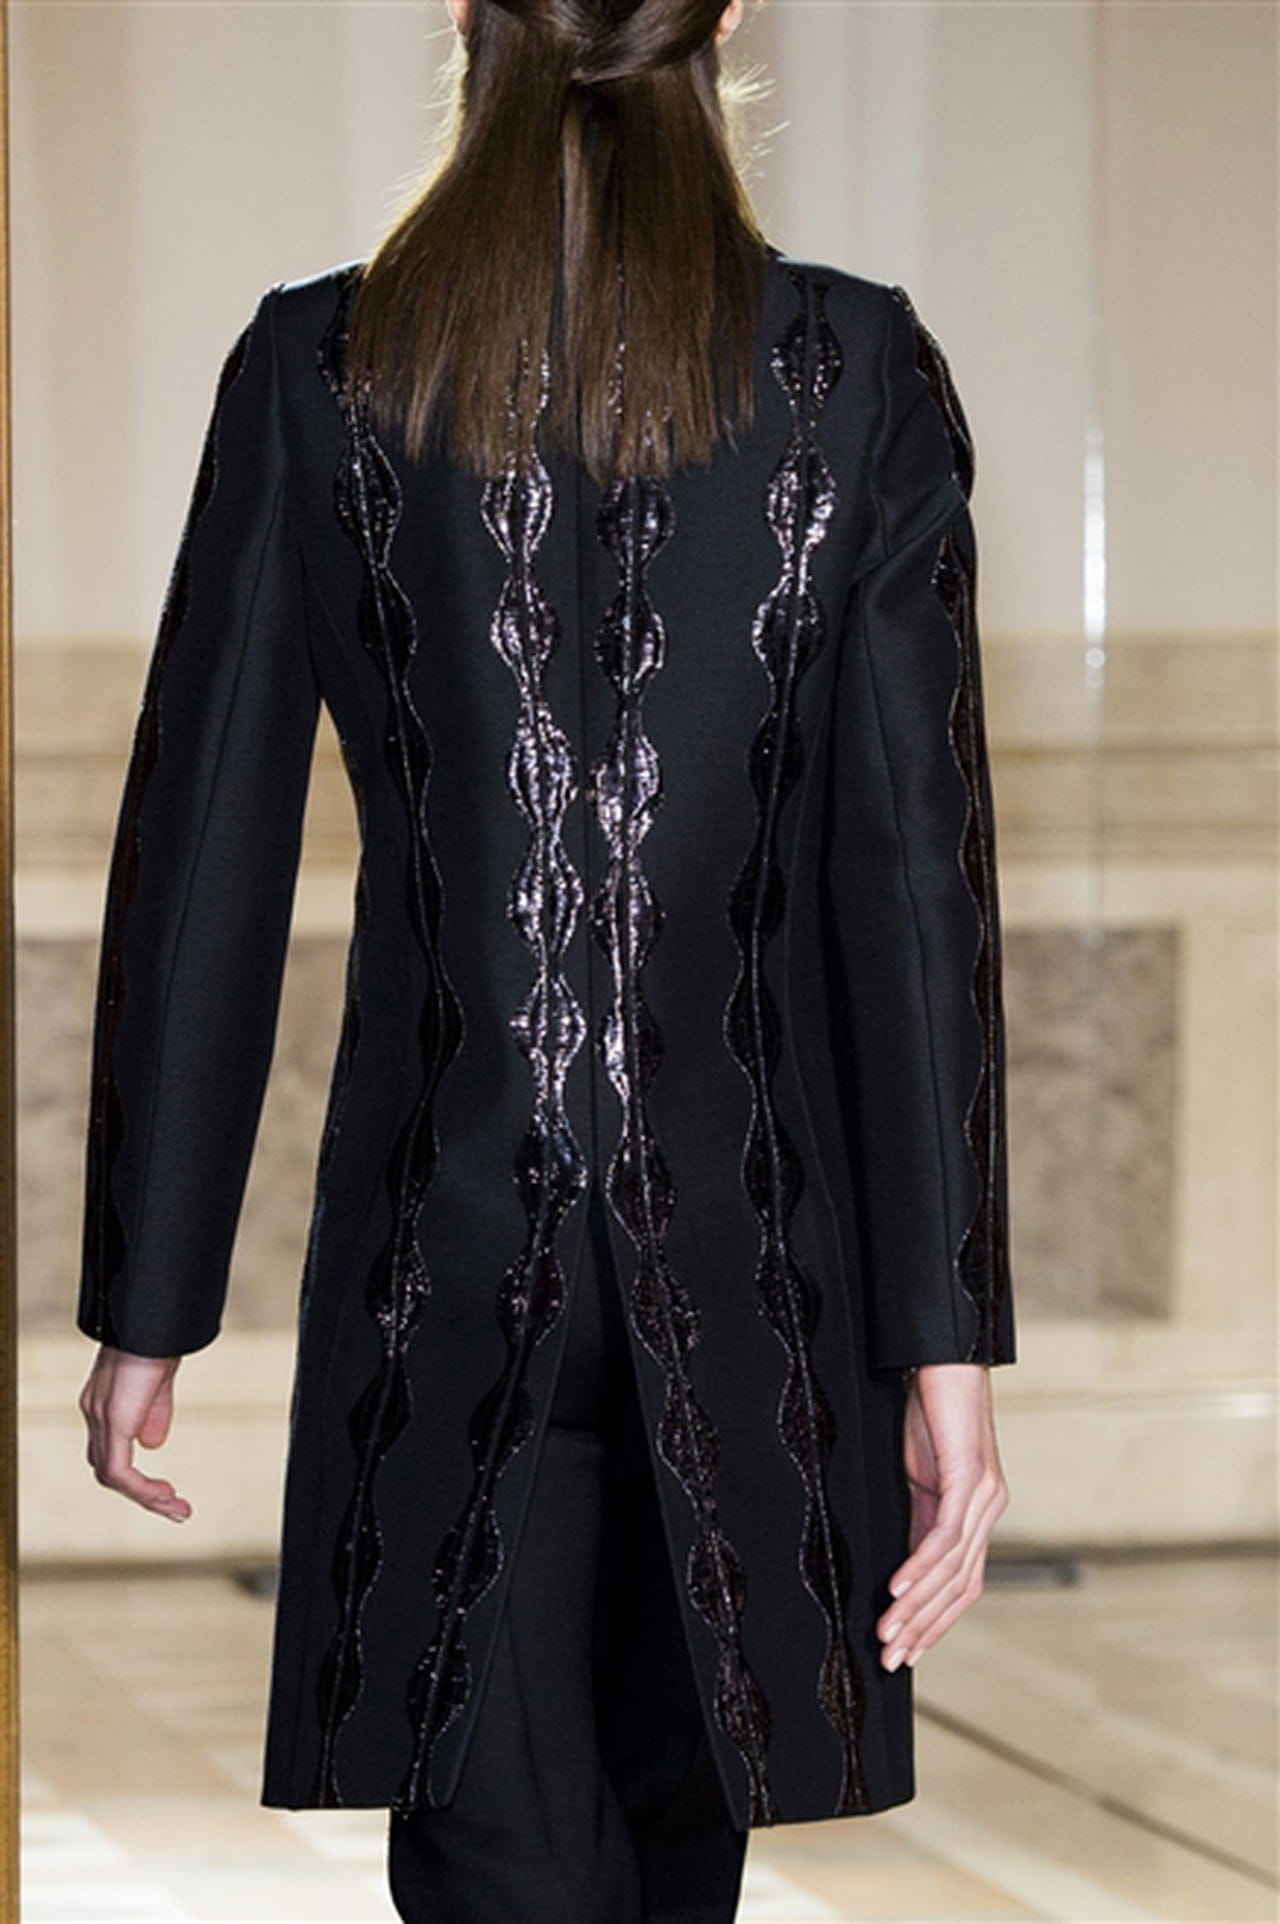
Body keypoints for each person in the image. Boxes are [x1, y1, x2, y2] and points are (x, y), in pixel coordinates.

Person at [75, 0, 1017, 1915]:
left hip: (441, 1254)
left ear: (462, 9)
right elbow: (915, 894)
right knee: (676, 1860)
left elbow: (203, 859)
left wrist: (148, 1303)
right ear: (724, 13)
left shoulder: (321, 367)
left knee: (494, 1854)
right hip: (758, 1269)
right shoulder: (854, 370)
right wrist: (947, 1347)